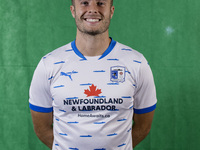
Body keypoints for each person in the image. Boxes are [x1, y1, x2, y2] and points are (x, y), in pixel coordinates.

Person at [29, 0, 157, 149]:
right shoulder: (48, 64)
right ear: (73, 10)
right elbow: (41, 128)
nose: (93, 9)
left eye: (101, 3)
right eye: (84, 3)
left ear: (111, 11)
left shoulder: (137, 63)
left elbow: (143, 126)